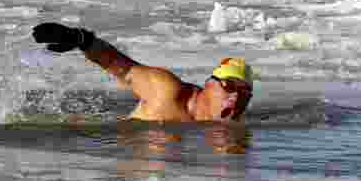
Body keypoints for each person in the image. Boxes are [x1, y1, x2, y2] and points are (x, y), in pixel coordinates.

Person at [32, 22, 254, 123]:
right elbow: (122, 67)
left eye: (244, 94)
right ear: (210, 83)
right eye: (229, 86)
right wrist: (80, 38)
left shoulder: (234, 125)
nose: (235, 97)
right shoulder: (167, 91)